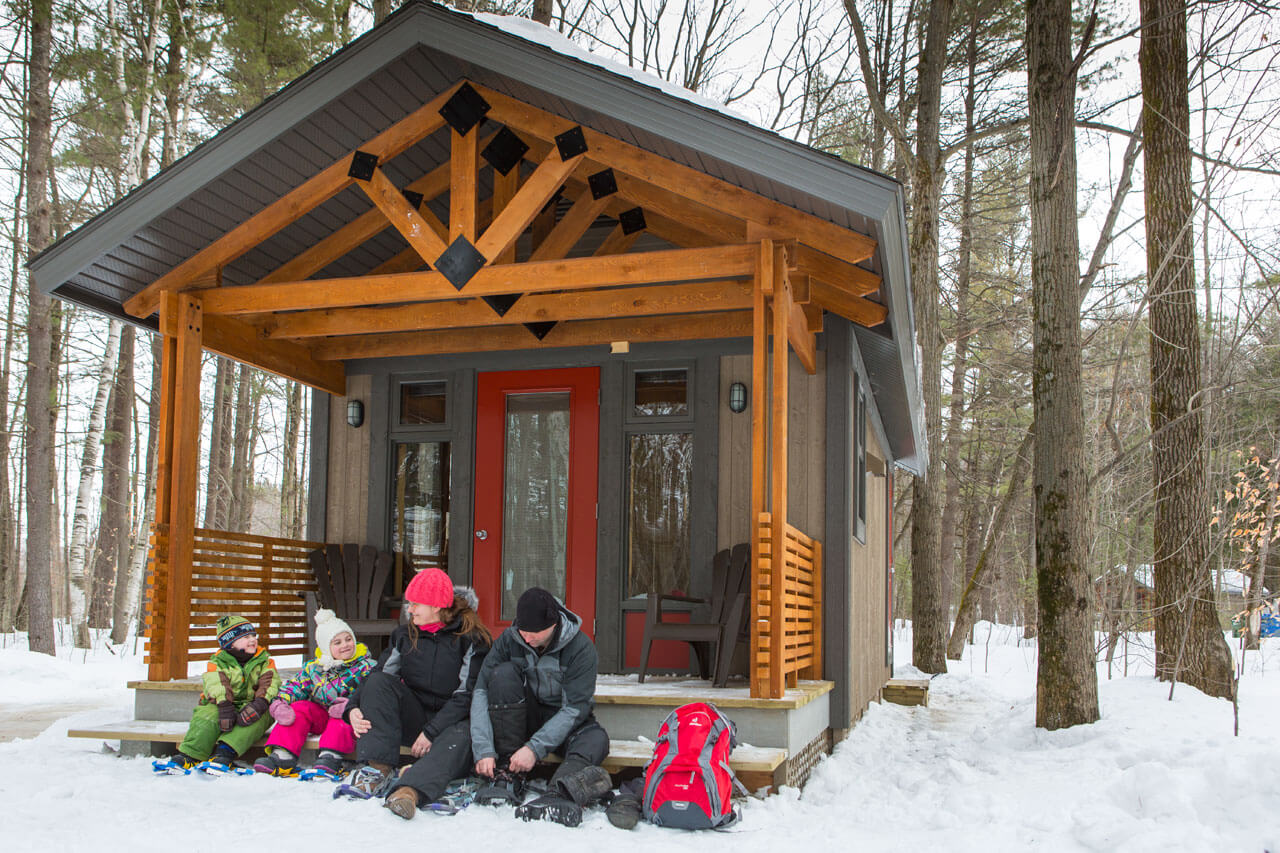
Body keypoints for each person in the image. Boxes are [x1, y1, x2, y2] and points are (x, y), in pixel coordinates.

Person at [341, 567, 492, 816]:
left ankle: (408, 791)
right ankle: (377, 769)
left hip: (453, 724)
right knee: (379, 682)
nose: (409, 609)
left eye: (415, 604)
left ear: (436, 606)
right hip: (416, 718)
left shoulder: (472, 639)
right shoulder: (404, 635)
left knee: (463, 735)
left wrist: (432, 732)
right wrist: (352, 707)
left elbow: (468, 695)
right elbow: (379, 675)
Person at [470, 587, 612, 827]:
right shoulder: (510, 638)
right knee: (501, 675)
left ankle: (560, 792)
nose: (526, 638)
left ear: (554, 624)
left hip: (566, 719)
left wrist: (534, 749)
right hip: (526, 715)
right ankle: (508, 773)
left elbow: (574, 709)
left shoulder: (581, 648)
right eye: (522, 631)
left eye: (534, 632)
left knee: (596, 741)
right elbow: (482, 689)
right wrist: (483, 748)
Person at [253, 609, 374, 778]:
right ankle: (282, 755)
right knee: (299, 708)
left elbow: (374, 693)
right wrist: (280, 702)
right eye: (337, 643)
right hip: (322, 716)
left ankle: (330, 756)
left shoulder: (366, 666)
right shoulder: (314, 669)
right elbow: (296, 686)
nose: (345, 645)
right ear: (326, 647)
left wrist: (352, 705)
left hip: (347, 720)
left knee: (342, 716)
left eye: (348, 639)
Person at [169, 615, 280, 770]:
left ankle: (224, 753)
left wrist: (261, 702)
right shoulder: (217, 662)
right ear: (230, 642)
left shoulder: (264, 661)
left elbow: (270, 682)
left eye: (253, 635)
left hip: (252, 705)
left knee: (261, 716)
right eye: (245, 637)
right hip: (221, 703)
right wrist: (224, 704)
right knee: (207, 715)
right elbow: (215, 683)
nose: (252, 640)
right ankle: (190, 754)